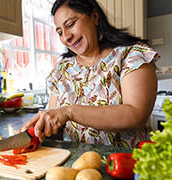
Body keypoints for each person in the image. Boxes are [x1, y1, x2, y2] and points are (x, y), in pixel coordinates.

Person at [18, 0, 160, 148]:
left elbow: (136, 116)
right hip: (76, 166)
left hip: (128, 164)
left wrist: (69, 112)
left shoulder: (130, 55)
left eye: (70, 25)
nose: (66, 37)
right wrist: (35, 131)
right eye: (60, 32)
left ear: (95, 16)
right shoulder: (61, 70)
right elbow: (54, 123)